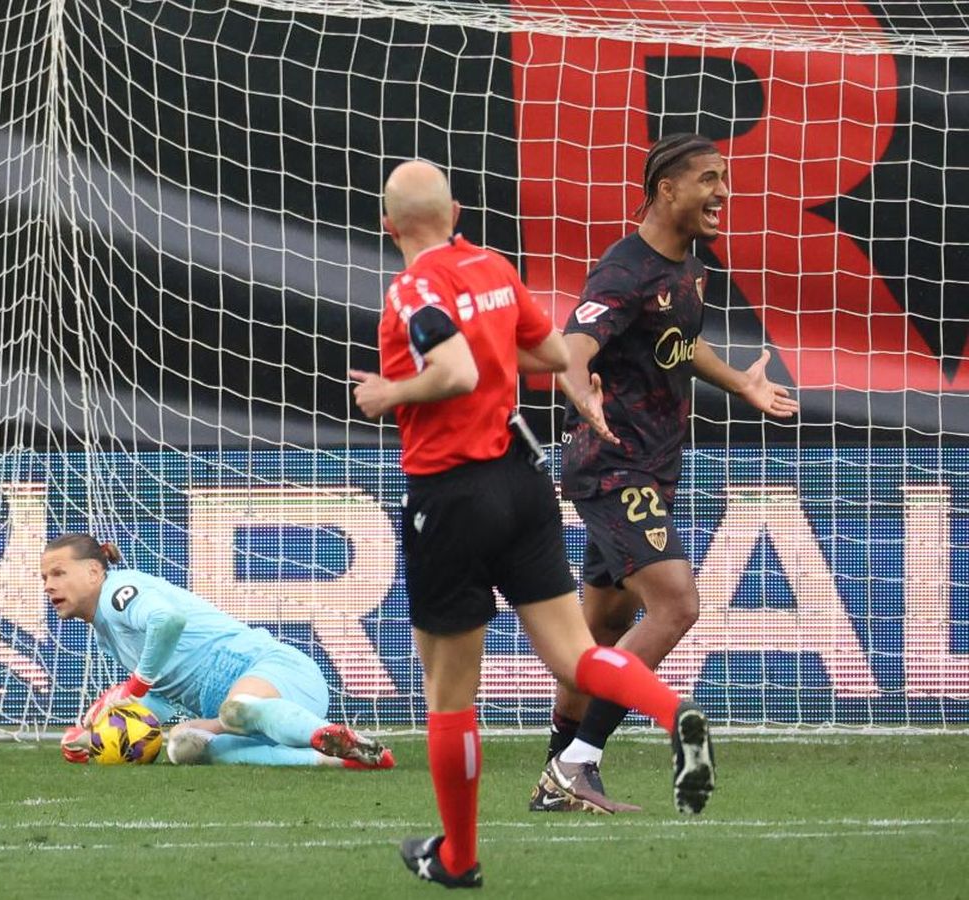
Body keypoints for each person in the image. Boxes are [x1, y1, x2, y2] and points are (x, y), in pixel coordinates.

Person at [347, 159, 715, 888]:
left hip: (451, 494)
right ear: (455, 212)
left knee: (449, 694)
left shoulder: (415, 285)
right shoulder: (490, 265)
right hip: (523, 481)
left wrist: (391, 392)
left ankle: (458, 857)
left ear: (389, 226)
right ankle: (674, 713)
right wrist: (493, 347)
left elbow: (449, 371)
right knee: (576, 653)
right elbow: (549, 354)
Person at [531, 134, 799, 815]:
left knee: (596, 640)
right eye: (710, 179)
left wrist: (741, 384)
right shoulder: (625, 271)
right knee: (677, 604)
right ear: (666, 189)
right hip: (615, 468)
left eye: (726, 179)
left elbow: (681, 340)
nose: (724, 192)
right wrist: (578, 390)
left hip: (651, 466)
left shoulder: (686, 267)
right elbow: (574, 345)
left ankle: (555, 775)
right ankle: (578, 765)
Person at [39, 533, 395, 769]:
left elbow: (168, 620)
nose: (49, 585)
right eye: (44, 578)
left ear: (93, 571)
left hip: (276, 672)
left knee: (238, 709)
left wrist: (134, 686)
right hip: (241, 717)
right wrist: (96, 734)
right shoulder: (107, 632)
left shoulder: (120, 590)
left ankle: (324, 732)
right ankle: (341, 757)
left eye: (58, 573)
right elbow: (160, 701)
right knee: (183, 746)